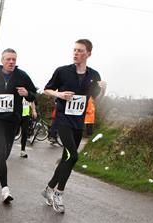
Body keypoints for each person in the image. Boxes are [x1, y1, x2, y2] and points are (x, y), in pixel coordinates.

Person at [41, 39, 106, 213]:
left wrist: (103, 89)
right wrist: (59, 94)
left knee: (67, 159)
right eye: (74, 50)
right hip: (62, 120)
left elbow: (95, 100)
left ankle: (48, 189)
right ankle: (58, 193)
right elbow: (46, 89)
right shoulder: (62, 71)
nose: (76, 53)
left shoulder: (94, 75)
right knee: (73, 156)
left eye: (80, 50)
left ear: (88, 54)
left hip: (78, 122)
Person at [0, 48, 37, 204]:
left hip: (12, 119)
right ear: (2, 60)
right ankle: (5, 190)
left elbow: (34, 93)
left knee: (5, 153)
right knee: (2, 150)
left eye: (14, 59)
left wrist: (27, 94)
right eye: (8, 59)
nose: (11, 62)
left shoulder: (22, 75)